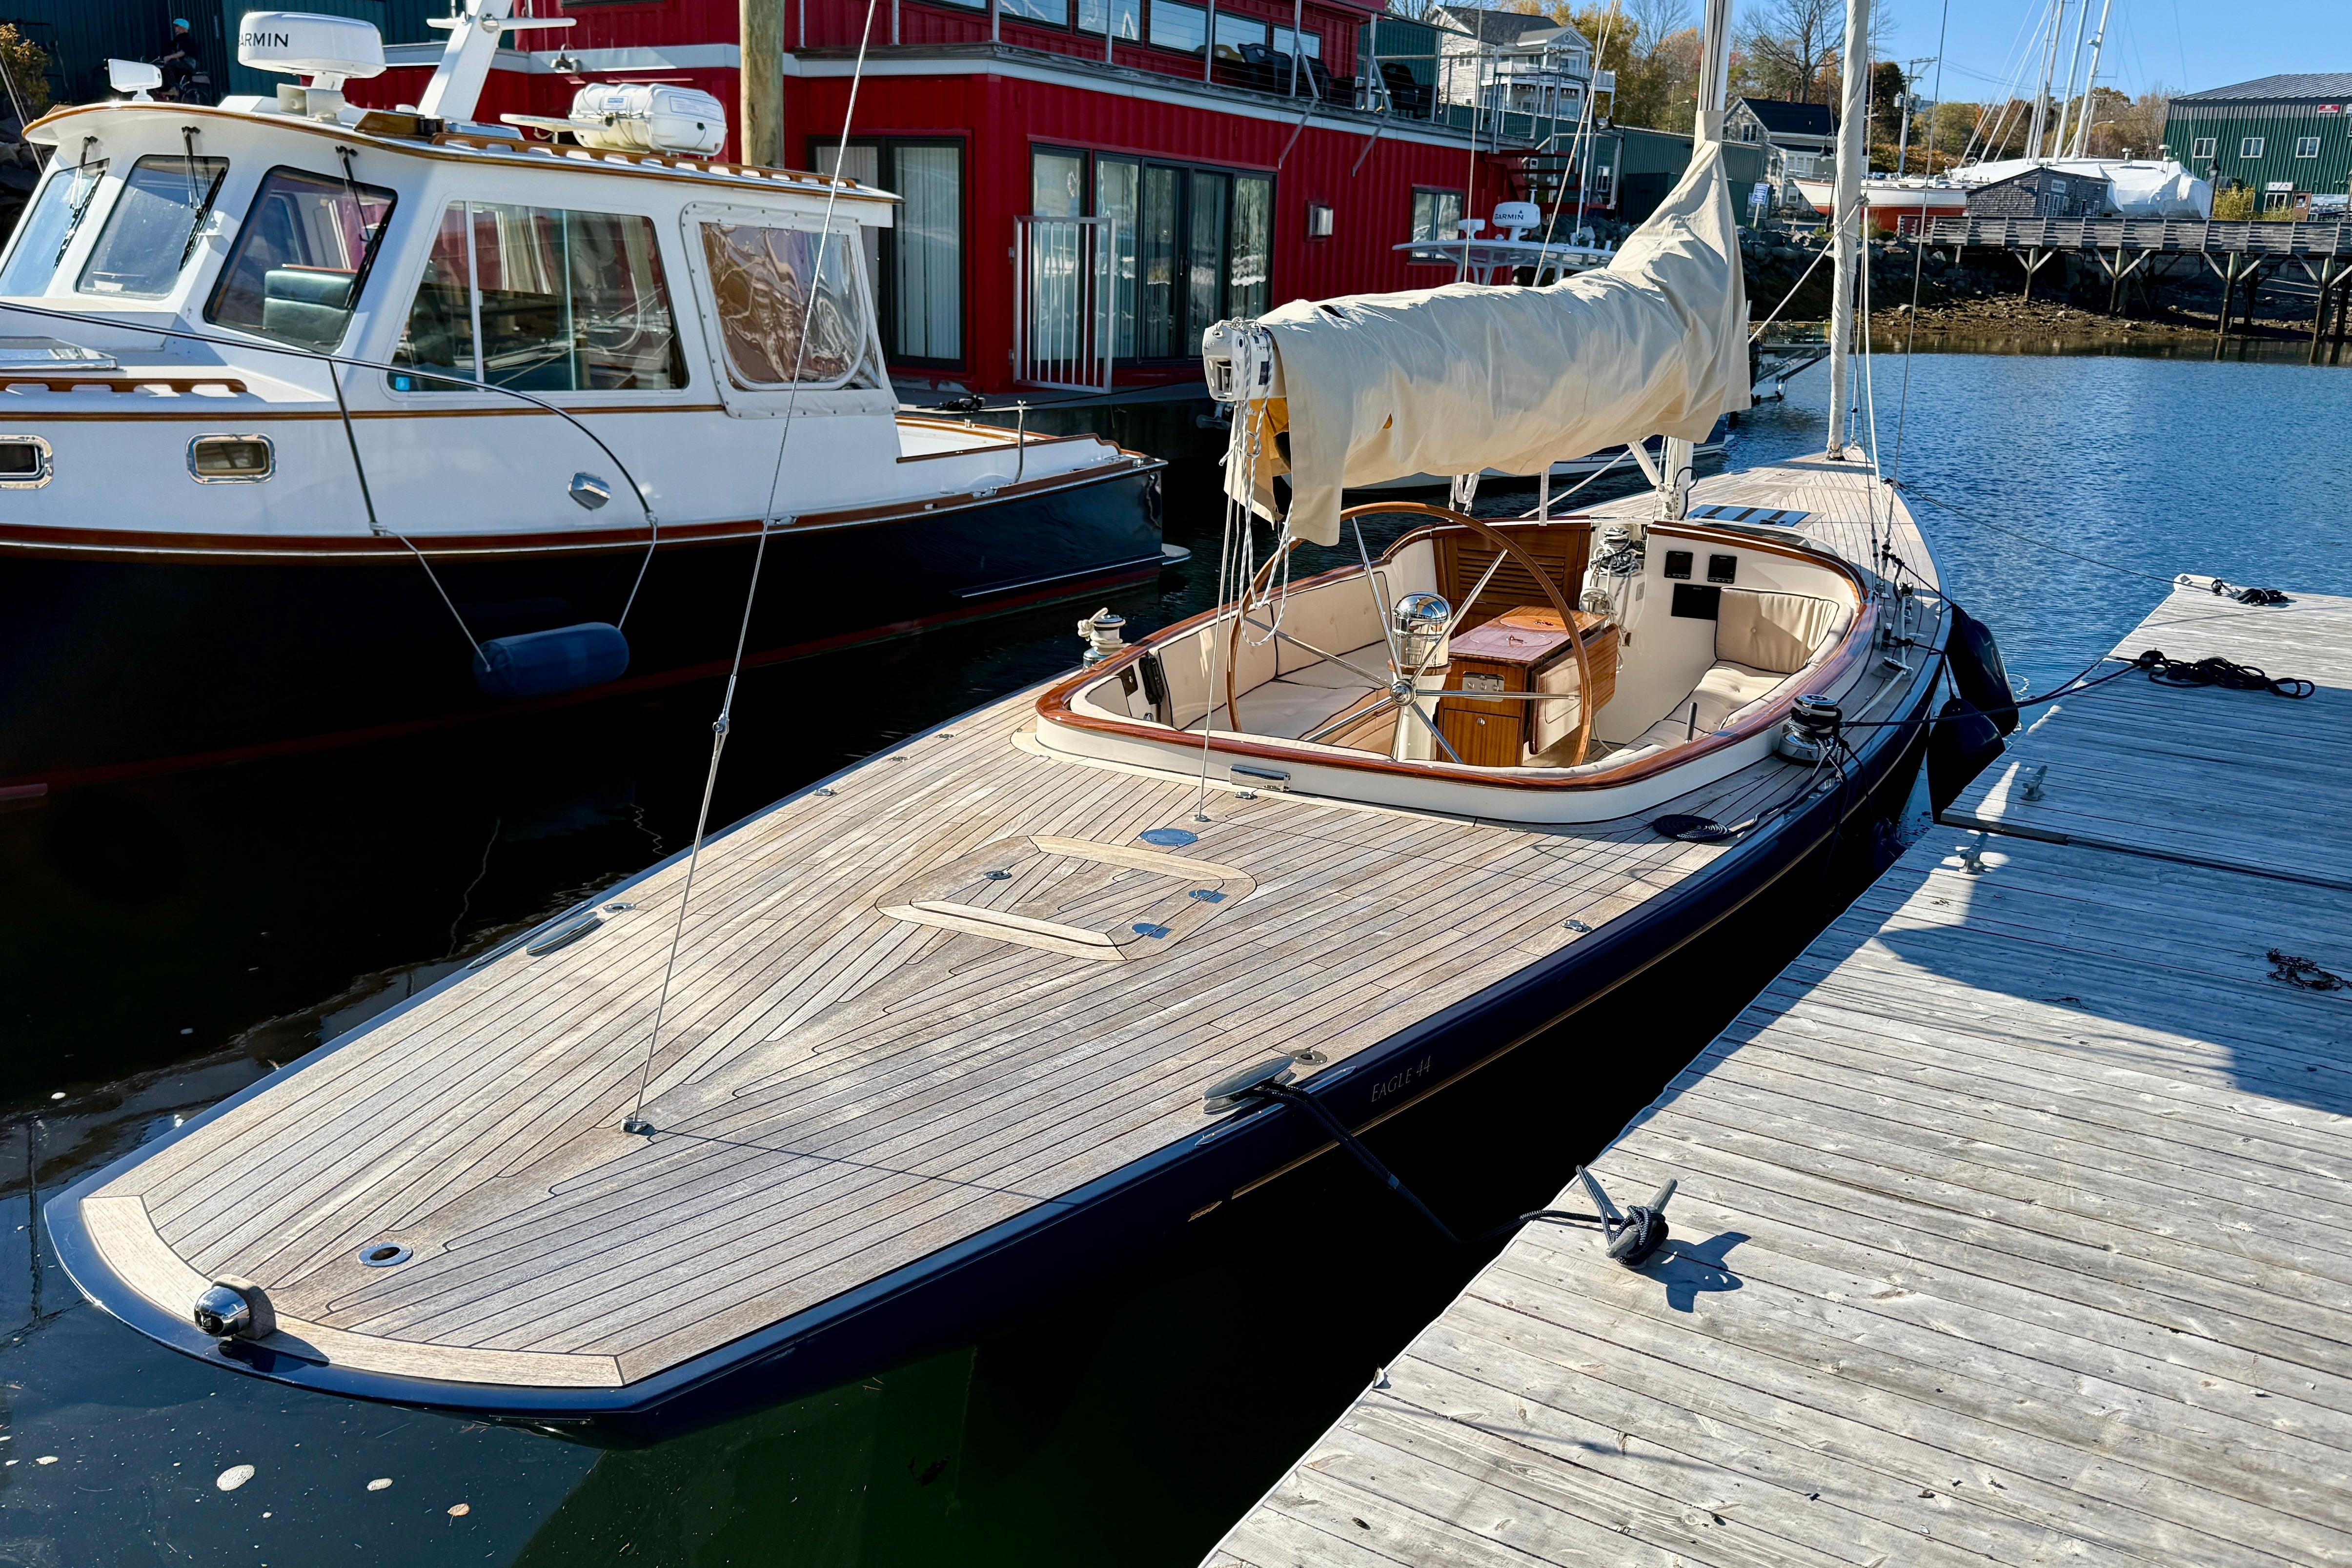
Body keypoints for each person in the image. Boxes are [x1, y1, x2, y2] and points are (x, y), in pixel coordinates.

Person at [158, 19, 199, 101]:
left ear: (182, 27)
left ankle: (173, 90)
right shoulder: (178, 39)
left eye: (177, 26)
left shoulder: (187, 39)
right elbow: (169, 47)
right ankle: (169, 92)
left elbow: (183, 52)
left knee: (170, 65)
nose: (175, 29)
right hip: (181, 65)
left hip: (189, 65)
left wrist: (170, 57)